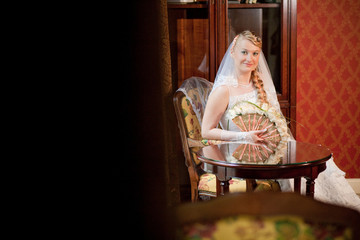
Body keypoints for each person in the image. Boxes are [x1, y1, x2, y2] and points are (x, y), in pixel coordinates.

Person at [200, 30, 360, 212]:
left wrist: (277, 135)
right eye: (244, 52)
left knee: (324, 168)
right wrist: (245, 135)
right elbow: (206, 131)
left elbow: (278, 122)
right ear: (233, 53)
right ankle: (307, 214)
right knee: (291, 176)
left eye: (255, 53)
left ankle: (339, 216)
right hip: (242, 155)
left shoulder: (260, 82)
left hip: (271, 149)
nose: (249, 58)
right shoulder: (224, 90)